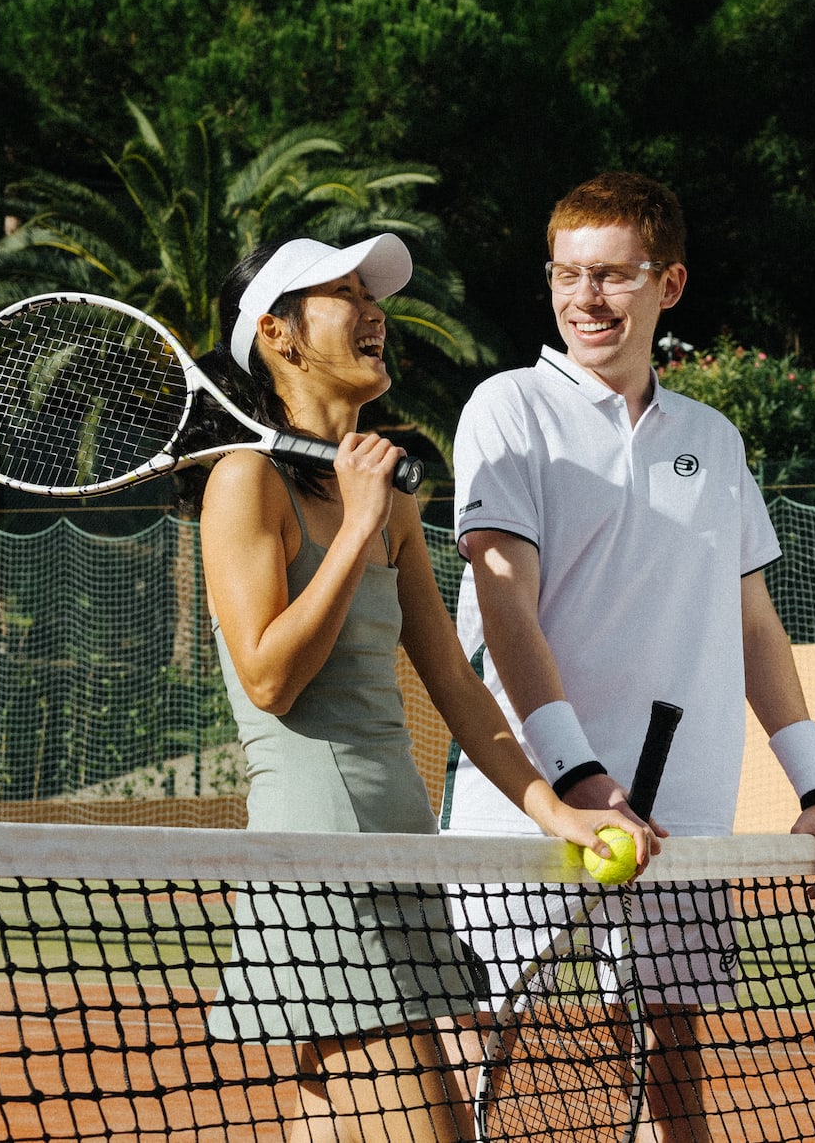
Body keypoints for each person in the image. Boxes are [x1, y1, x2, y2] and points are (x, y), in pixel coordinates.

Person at [196, 235, 652, 1143]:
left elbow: (454, 681)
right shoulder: (243, 482)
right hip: (320, 862)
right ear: (279, 337)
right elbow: (269, 676)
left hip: (402, 851)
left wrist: (554, 807)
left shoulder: (389, 492)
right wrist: (359, 517)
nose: (375, 314)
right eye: (342, 296)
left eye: (374, 296)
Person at [441, 171, 815, 1143]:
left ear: (668, 285)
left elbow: (755, 626)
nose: (586, 298)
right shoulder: (506, 410)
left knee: (673, 1070)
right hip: (527, 807)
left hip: (681, 813)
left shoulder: (713, 441)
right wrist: (579, 779)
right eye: (567, 274)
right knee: (473, 1056)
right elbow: (506, 609)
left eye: (613, 276)